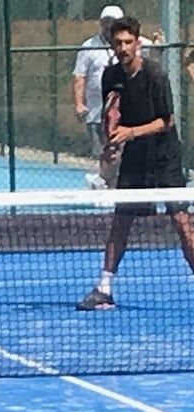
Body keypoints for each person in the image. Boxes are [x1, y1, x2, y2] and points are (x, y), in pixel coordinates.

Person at [76, 17, 194, 311]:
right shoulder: (110, 76)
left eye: (129, 42)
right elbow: (112, 116)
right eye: (118, 43)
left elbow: (167, 121)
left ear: (138, 43)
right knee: (121, 222)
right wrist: (112, 145)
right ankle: (104, 288)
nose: (124, 48)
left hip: (165, 157)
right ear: (112, 45)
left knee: (182, 223)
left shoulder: (155, 75)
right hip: (134, 159)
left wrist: (130, 132)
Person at [73, 5, 158, 181]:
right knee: (105, 153)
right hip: (98, 112)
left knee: (125, 153)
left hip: (128, 113)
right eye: (105, 21)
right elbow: (79, 76)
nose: (108, 25)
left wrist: (158, 45)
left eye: (113, 21)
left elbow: (153, 54)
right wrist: (79, 103)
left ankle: (116, 183)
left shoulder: (134, 42)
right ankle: (105, 182)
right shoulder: (89, 46)